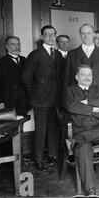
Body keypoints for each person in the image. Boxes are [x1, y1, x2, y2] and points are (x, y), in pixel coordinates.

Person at [64, 64, 99, 196]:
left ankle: (77, 140)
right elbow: (71, 106)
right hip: (81, 128)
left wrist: (86, 101)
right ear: (76, 77)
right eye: (83, 74)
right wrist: (93, 110)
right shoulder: (70, 91)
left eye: (89, 75)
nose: (87, 77)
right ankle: (91, 190)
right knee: (83, 148)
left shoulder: (97, 89)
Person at [22, 25, 64, 171]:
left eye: (53, 34)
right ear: (42, 37)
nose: (51, 37)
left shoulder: (57, 55)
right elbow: (26, 78)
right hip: (40, 100)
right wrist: (34, 94)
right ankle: (38, 159)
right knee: (40, 130)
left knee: (54, 129)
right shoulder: (35, 54)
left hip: (55, 99)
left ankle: (53, 156)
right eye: (47, 35)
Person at [64, 24, 99, 99]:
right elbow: (67, 79)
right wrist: (67, 98)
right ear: (80, 35)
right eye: (83, 33)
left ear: (93, 34)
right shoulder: (72, 54)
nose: (86, 36)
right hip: (77, 99)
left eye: (89, 33)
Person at [0, 36, 29, 116]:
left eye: (18, 44)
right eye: (13, 44)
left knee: (21, 124)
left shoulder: (25, 61)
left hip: (23, 102)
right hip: (7, 101)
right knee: (10, 126)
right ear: (6, 46)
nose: (16, 47)